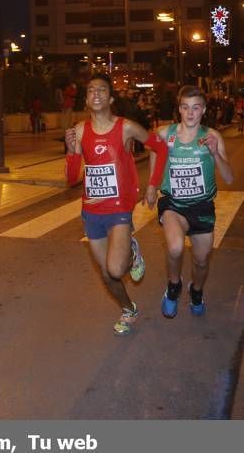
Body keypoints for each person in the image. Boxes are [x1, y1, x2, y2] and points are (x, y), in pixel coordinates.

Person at [65, 74, 168, 335]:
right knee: (109, 276)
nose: (95, 93)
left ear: (110, 98)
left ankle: (132, 252)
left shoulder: (126, 128)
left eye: (101, 90)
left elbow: (160, 147)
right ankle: (128, 309)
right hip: (91, 213)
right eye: (90, 90)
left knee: (116, 267)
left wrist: (154, 185)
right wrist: (70, 152)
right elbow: (71, 178)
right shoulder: (79, 130)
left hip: (120, 209)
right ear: (87, 99)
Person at [152, 86, 233, 318]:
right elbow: (153, 154)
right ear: (179, 109)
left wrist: (216, 153)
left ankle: (196, 291)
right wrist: (151, 186)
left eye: (195, 108)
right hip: (173, 204)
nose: (190, 113)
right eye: (185, 107)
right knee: (175, 247)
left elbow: (228, 177)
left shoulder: (213, 136)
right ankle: (173, 286)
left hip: (202, 207)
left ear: (203, 110)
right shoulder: (164, 134)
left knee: (200, 262)